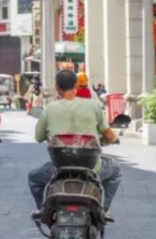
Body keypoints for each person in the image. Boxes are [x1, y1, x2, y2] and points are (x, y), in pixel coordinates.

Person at [28, 69, 121, 212]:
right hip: (92, 168)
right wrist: (114, 138)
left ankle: (44, 211)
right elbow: (109, 136)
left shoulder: (50, 108)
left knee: (34, 178)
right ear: (76, 85)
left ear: (57, 87)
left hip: (59, 168)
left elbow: (38, 137)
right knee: (116, 170)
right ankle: (102, 210)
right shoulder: (93, 105)